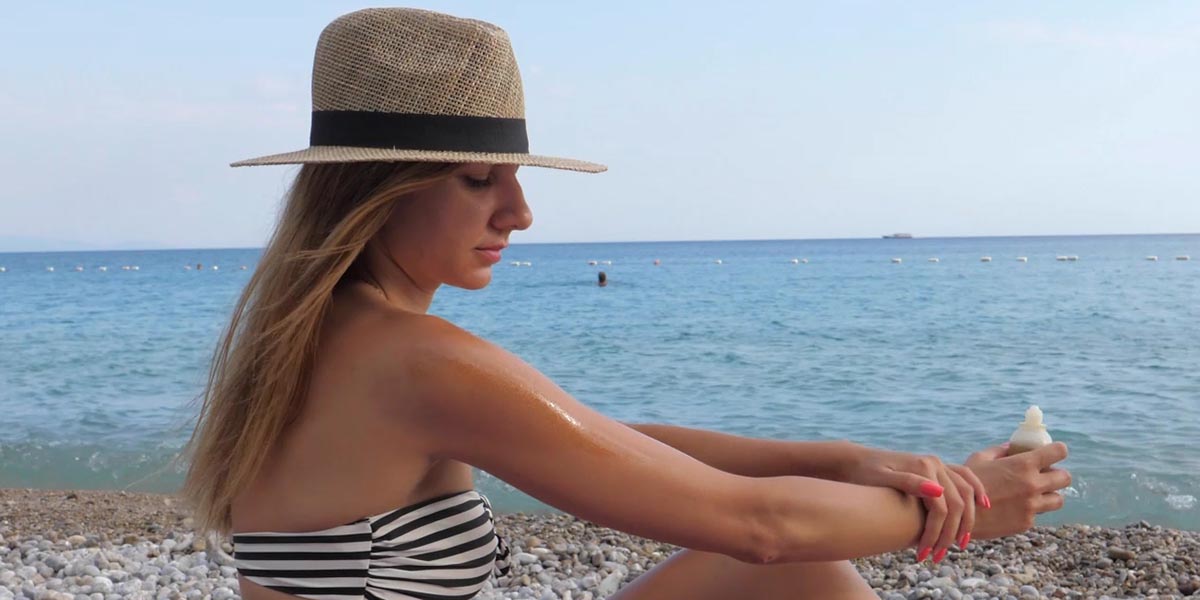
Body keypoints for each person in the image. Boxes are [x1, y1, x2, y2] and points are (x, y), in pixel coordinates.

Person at [181, 8, 1071, 600]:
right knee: (795, 572)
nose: (519, 214)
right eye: (479, 179)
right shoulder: (416, 363)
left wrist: (851, 460)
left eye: (518, 179)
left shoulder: (315, 338)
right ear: (377, 190)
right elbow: (759, 528)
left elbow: (597, 436)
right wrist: (960, 511)